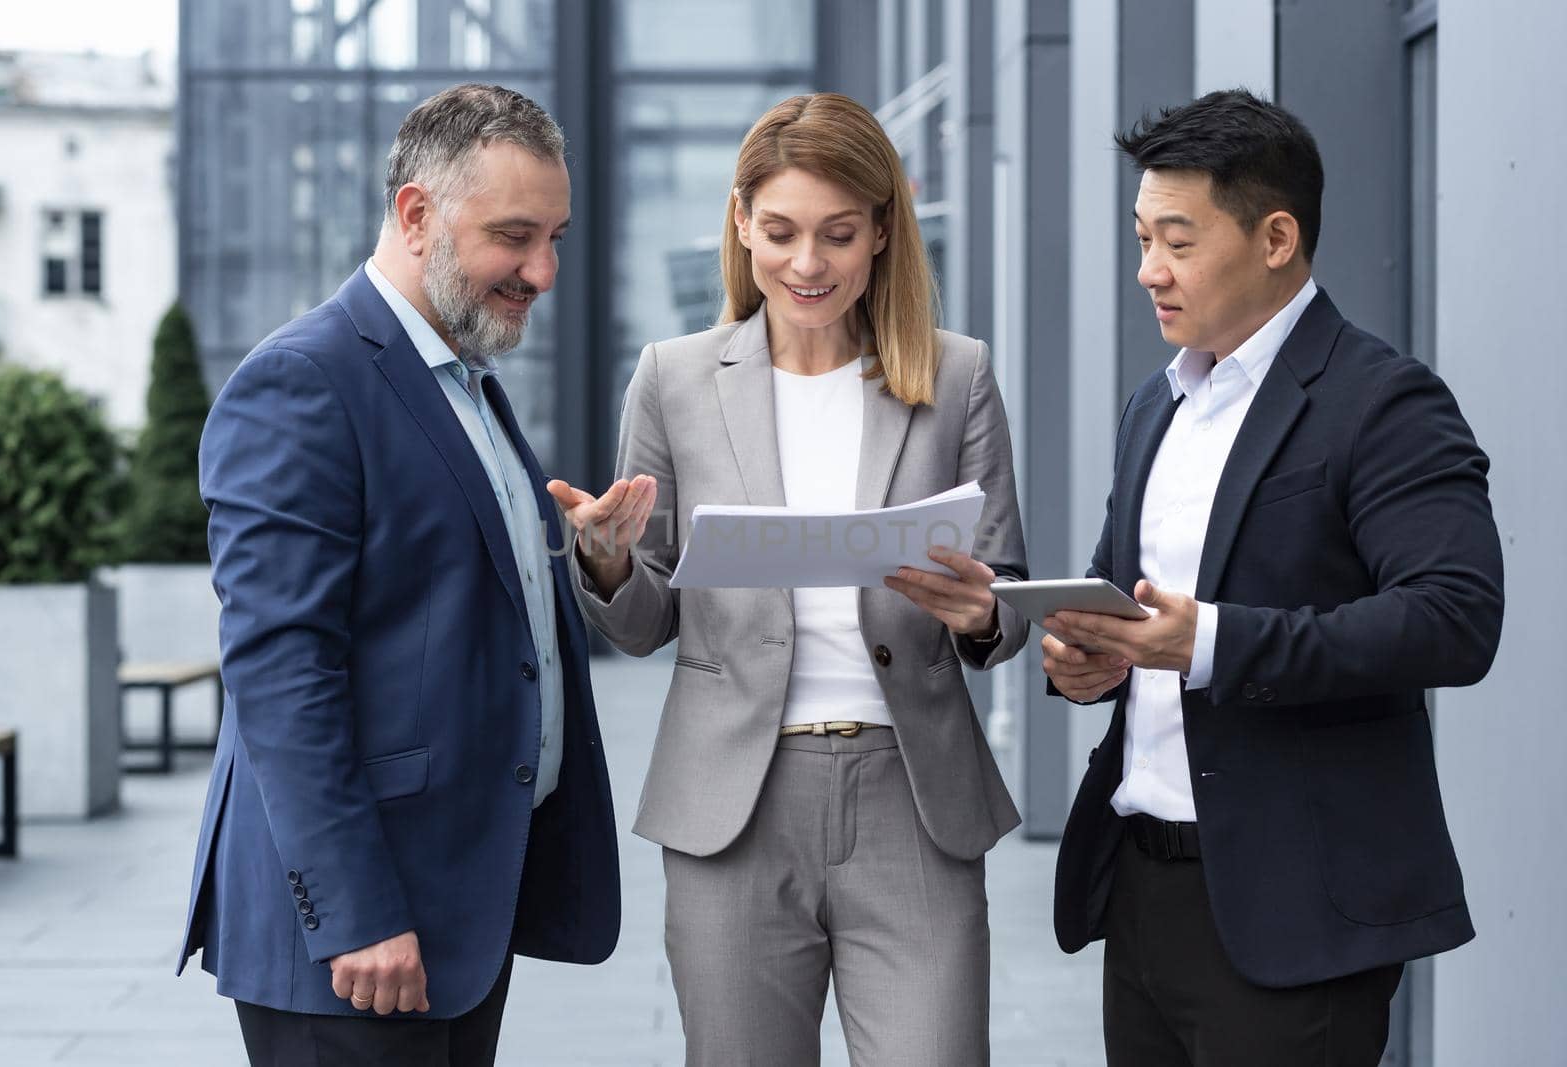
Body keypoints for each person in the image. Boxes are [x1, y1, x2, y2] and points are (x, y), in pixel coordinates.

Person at [544, 93, 1029, 1066]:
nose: (807, 263)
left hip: (914, 801)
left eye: (838, 234)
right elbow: (645, 621)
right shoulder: (673, 378)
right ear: (740, 223)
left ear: (883, 229)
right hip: (733, 803)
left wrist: (983, 611)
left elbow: (1005, 596)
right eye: (781, 231)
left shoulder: (955, 376)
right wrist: (602, 556)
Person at [1042, 89, 1504, 1066]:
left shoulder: (1383, 402)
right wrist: (1086, 654)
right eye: (1140, 238)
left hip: (1297, 912)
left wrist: (1206, 642)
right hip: (1143, 893)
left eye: (1175, 240)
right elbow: (1121, 592)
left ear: (1276, 236)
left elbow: (1453, 618)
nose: (1146, 272)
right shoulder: (1155, 403)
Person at [175, 83, 620, 1066]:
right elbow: (280, 673)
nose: (542, 270)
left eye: (555, 236)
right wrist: (355, 912)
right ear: (417, 214)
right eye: (514, 235)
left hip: (455, 903)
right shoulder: (304, 381)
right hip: (356, 937)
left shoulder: (464, 378)